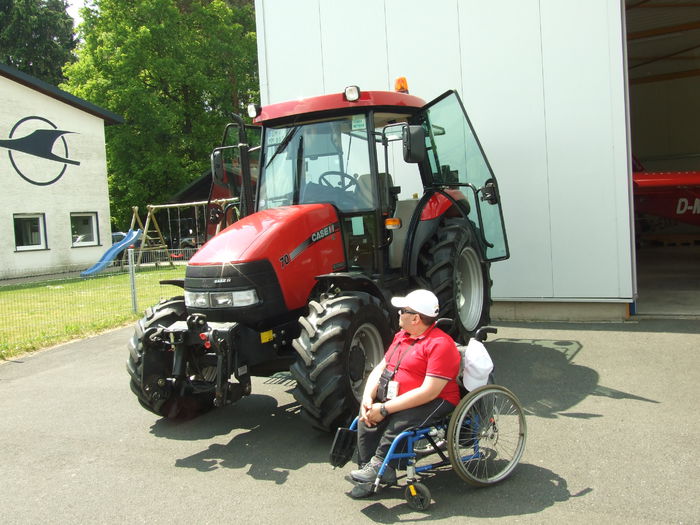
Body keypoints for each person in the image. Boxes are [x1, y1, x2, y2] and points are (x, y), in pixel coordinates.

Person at [348, 289, 462, 485]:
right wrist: (367, 398)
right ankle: (370, 471)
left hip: (436, 400)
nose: (399, 313)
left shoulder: (440, 344)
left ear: (416, 318)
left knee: (398, 423)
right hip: (401, 395)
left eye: (403, 311)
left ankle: (380, 465)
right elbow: (380, 368)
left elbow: (429, 391)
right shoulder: (402, 336)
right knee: (366, 417)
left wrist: (384, 408)